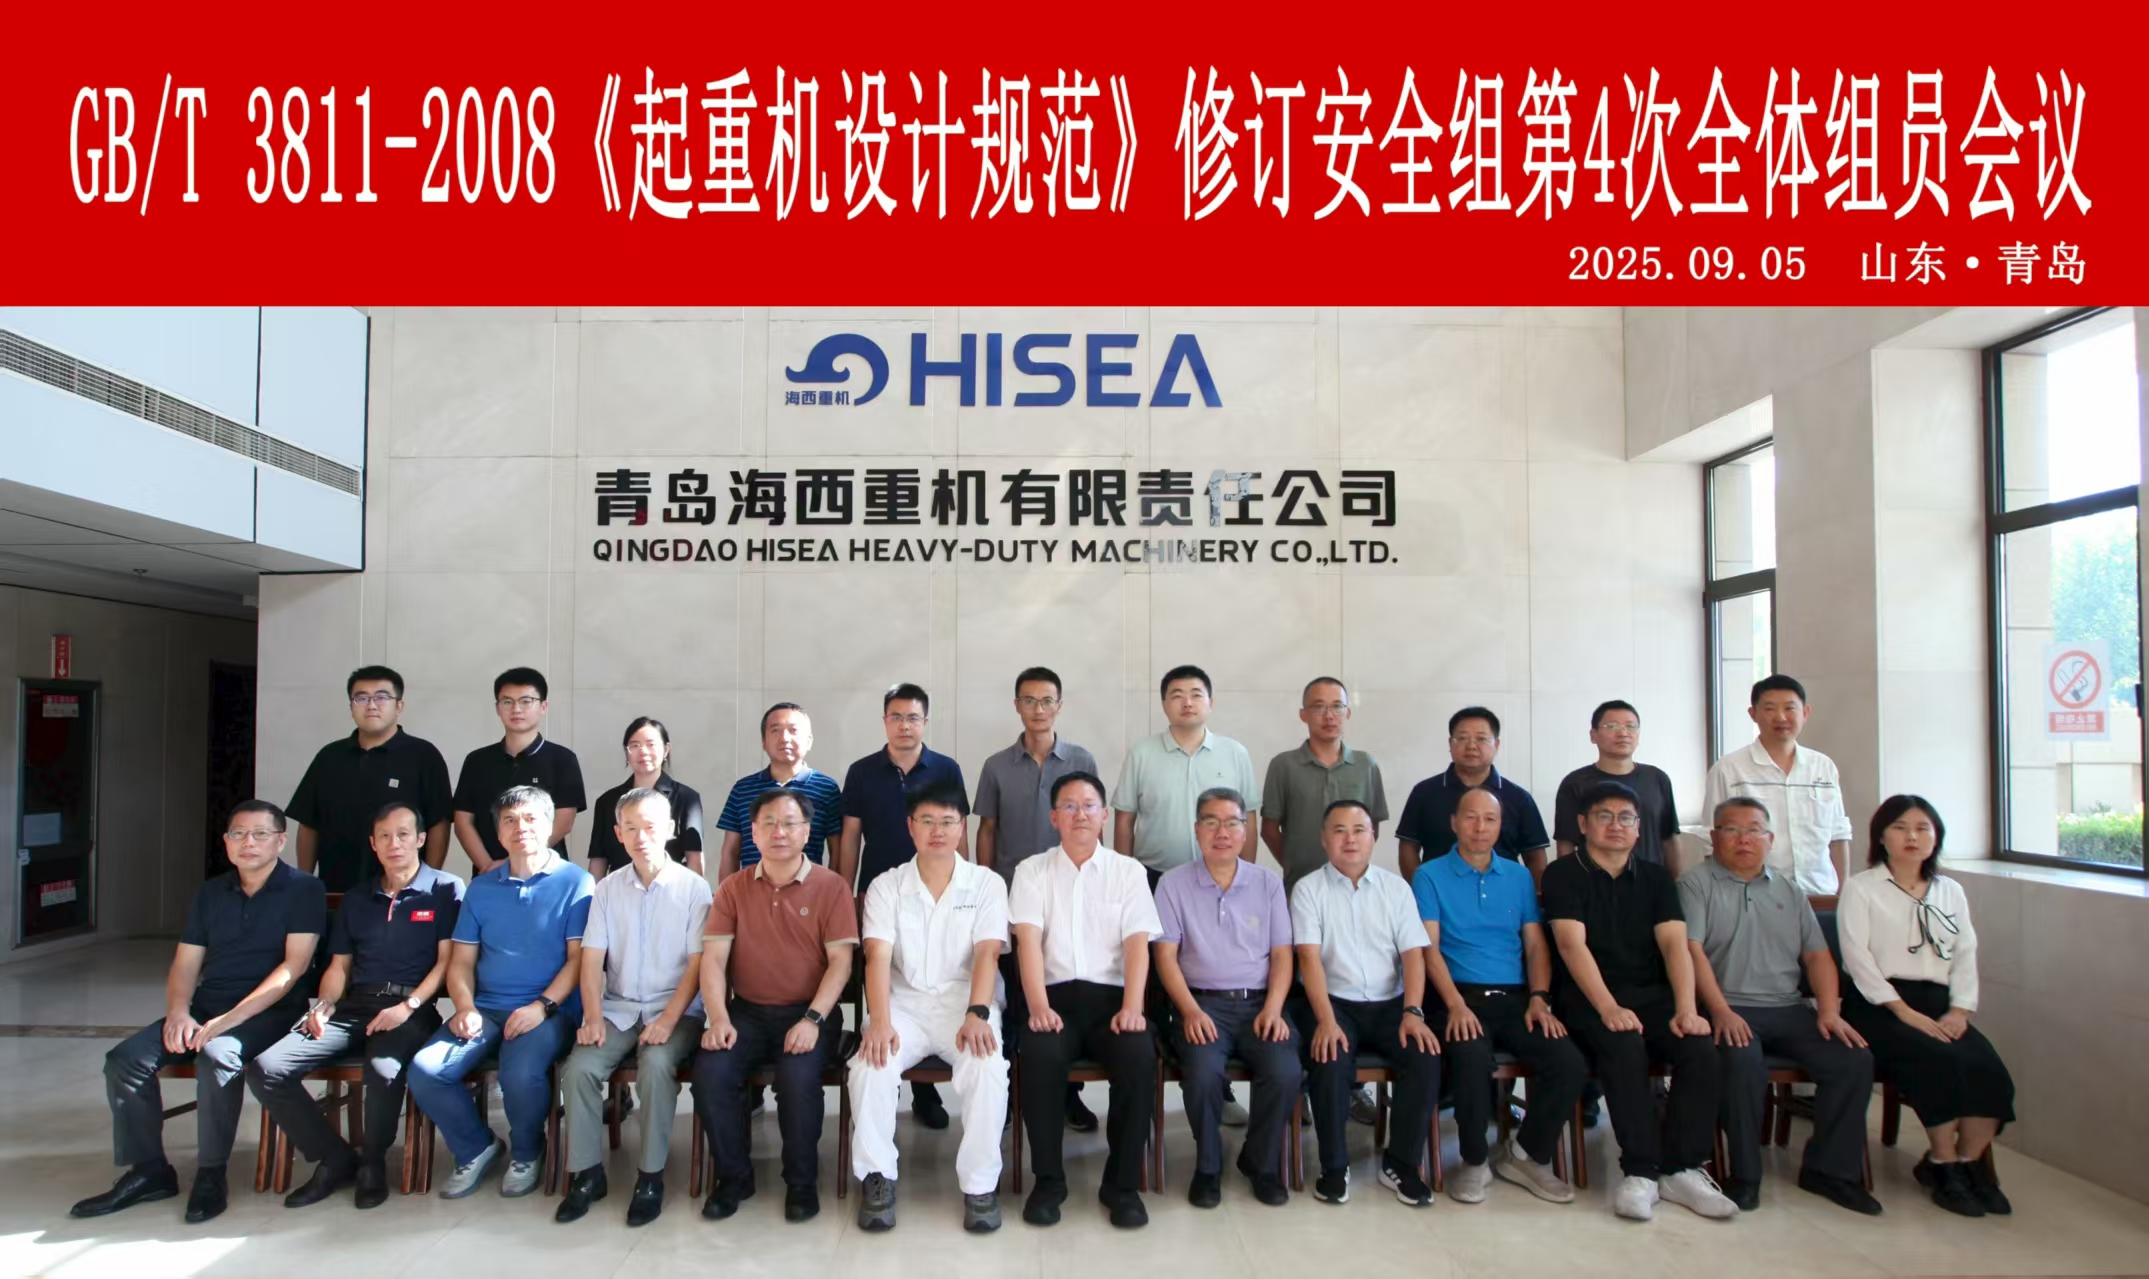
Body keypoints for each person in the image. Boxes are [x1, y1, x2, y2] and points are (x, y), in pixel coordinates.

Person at [70, 801, 327, 1225]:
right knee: (125, 1059)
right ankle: (149, 1170)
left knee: (217, 1055)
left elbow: (293, 967)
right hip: (207, 1008)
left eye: (260, 834)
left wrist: (230, 1021)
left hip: (273, 1013)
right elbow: (186, 962)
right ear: (226, 841)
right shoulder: (210, 893)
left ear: (281, 841)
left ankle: (211, 1173)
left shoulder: (304, 889)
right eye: (238, 834)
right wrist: (178, 1012)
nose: (248, 842)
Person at [246, 801, 463, 1211]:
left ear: (421, 839)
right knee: (267, 1068)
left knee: (382, 1069)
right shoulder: (358, 897)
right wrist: (325, 1004)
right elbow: (339, 965)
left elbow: (447, 962)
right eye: (384, 836)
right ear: (373, 843)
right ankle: (334, 1158)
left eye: (403, 834)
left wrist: (409, 1005)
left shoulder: (445, 889)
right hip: (355, 1006)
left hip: (411, 1009)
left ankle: (373, 1162)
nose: (394, 843)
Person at [1541, 780, 1736, 1222]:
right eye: (1604, 816)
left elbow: (1674, 945)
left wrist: (1687, 1008)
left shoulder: (1656, 877)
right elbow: (1571, 945)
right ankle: (1641, 1171)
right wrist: (1608, 1007)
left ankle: (1683, 1168)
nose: (1616, 825)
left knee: (1699, 1049)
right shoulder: (1563, 874)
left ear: (1638, 827)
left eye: (1626, 818)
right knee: (1624, 1044)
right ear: (1583, 824)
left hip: (1652, 995)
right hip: (1587, 999)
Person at [1682, 798, 1881, 1215]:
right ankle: (1745, 1175)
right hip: (1728, 1006)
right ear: (1714, 837)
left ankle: (1830, 1171)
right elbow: (1691, 951)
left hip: (1789, 1008)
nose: (1744, 839)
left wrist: (1828, 1011)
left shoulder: (1789, 889)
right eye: (1732, 829)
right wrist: (1719, 1010)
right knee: (1742, 1063)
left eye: (1754, 829)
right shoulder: (1695, 884)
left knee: (1852, 1059)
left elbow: (1817, 956)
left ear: (1770, 839)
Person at [406, 786, 594, 1199]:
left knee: (519, 1073)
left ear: (549, 825)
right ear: (498, 832)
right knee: (426, 1070)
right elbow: (460, 962)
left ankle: (527, 1151)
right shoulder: (482, 888)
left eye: (530, 818)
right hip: (486, 1008)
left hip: (550, 1010)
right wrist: (465, 1007)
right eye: (509, 820)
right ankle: (477, 1147)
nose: (520, 827)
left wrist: (542, 1006)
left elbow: (578, 960)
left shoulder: (577, 882)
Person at [1839, 795, 2015, 1217]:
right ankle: (1943, 1162)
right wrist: (1902, 1011)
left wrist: (1960, 1011)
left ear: (1936, 838)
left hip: (1940, 1004)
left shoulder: (1950, 890)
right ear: (1881, 836)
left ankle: (1969, 1161)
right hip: (1878, 1006)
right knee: (1940, 1062)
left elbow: (1966, 953)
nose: (1912, 837)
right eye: (1900, 828)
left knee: (1988, 1070)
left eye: (1923, 828)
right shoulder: (1862, 888)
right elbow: (1856, 959)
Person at [848, 785, 1011, 1234]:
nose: (937, 831)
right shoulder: (886, 885)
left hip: (966, 1003)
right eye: (927, 821)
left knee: (987, 1067)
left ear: (962, 828)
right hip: (904, 1004)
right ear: (910, 827)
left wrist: (978, 1013)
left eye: (947, 822)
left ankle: (980, 1185)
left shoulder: (987, 883)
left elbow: (987, 954)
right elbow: (877, 957)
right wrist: (879, 1022)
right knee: (871, 1065)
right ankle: (878, 1176)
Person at [693, 787, 858, 1224]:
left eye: (789, 823)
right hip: (747, 1012)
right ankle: (733, 1177)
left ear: (807, 832)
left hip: (810, 1012)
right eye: (768, 823)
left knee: (797, 1078)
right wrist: (718, 1018)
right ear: (753, 832)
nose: (778, 832)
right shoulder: (733, 888)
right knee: (711, 1072)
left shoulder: (832, 887)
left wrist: (812, 1019)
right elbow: (714, 960)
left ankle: (801, 1182)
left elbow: (841, 964)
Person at [1414, 788, 1584, 1206]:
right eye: (1471, 818)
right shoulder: (1429, 875)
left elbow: (1535, 945)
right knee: (1471, 1057)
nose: (1480, 827)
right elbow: (1428, 949)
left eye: (1490, 819)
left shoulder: (1519, 876)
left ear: (1500, 825)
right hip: (1456, 997)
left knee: (1568, 1061)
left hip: (1515, 998)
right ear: (1454, 823)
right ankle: (1474, 1162)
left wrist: (1539, 997)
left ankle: (1525, 1155)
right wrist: (1455, 1005)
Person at [1010, 771, 1162, 1229]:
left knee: (1138, 1055)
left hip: (1113, 1003)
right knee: (1038, 1055)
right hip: (1052, 1000)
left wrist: (1133, 1007)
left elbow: (1138, 945)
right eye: (1069, 806)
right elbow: (1027, 943)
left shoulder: (1128, 871)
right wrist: (1038, 1007)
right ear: (1053, 817)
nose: (1080, 814)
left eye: (1089, 805)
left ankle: (1122, 1186)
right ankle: (1048, 1182)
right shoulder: (1031, 870)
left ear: (1105, 816)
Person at [556, 787, 713, 1227]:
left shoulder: (694, 888)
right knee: (579, 1069)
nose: (641, 837)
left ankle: (650, 1176)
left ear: (670, 830)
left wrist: (668, 1020)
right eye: (631, 828)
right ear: (618, 834)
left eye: (650, 827)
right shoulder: (607, 889)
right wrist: (591, 1017)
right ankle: (587, 1174)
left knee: (657, 1064)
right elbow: (592, 959)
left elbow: (698, 965)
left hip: (676, 1009)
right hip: (619, 1008)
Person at [1291, 798, 1441, 1208]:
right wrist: (1325, 1020)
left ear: (1373, 837)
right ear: (1324, 839)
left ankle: (1401, 1165)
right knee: (1329, 1056)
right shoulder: (1308, 889)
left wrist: (1413, 1012)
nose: (1350, 839)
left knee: (1424, 1056)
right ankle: (1334, 1167)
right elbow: (1308, 959)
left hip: (1391, 1004)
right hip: (1333, 1002)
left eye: (1359, 830)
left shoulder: (1396, 889)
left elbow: (1413, 955)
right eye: (1339, 831)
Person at [1153, 787, 1299, 1209]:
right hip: (1201, 1004)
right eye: (1212, 822)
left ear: (1245, 830)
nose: (1222, 832)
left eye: (1233, 823)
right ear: (1197, 830)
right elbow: (1165, 957)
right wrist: (1189, 1011)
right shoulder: (1173, 884)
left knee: (1285, 1071)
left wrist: (1274, 1008)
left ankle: (1260, 1162)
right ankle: (1208, 1166)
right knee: (1201, 1074)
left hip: (1260, 1004)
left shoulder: (1267, 883)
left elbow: (1282, 954)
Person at [974, 665, 1102, 1135]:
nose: (1039, 709)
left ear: (1059, 706)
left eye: (1047, 700)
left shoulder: (1081, 759)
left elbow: (1093, 822)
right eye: (1029, 700)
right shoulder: (996, 766)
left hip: (1070, 896)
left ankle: (1068, 1095)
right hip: (1013, 900)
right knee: (1014, 997)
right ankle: (1010, 1093)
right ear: (1017, 706)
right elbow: (987, 830)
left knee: (1064, 992)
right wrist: (988, 890)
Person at [838, 682, 967, 1127]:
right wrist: (845, 893)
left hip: (934, 894)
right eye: (897, 717)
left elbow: (959, 832)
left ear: (925, 722)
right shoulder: (861, 772)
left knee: (926, 979)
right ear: (885, 721)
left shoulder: (946, 768)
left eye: (913, 717)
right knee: (885, 980)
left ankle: (925, 1094)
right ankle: (884, 1085)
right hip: (879, 894)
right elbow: (850, 836)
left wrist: (964, 886)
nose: (905, 725)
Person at [289, 665, 454, 890]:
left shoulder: (423, 755)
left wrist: (426, 884)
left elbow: (439, 824)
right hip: (336, 889)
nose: (371, 705)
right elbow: (309, 824)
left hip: (401, 891)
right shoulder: (329, 757)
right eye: (361, 698)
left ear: (399, 706)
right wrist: (305, 882)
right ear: (351, 707)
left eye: (382, 697)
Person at [1703, 675, 1854, 896]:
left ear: (1805, 713)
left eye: (1790, 708)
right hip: (1753, 897)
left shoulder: (1823, 766)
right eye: (1769, 709)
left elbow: (1838, 836)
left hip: (1820, 895)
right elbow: (1712, 842)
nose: (1781, 717)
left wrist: (1843, 895)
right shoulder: (1729, 769)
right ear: (1753, 714)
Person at [1113, 665, 1261, 880]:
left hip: (1222, 874)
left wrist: (1247, 877)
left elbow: (1249, 821)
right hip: (1154, 876)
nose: (1187, 703)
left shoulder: (1235, 753)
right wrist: (1123, 878)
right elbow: (1124, 821)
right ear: (1164, 705)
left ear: (1211, 702)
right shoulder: (1141, 753)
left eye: (1196, 695)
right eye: (1177, 696)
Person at [452, 668, 588, 876]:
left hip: (547, 875)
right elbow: (463, 821)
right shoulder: (477, 761)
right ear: (497, 708)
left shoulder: (562, 759)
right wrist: (488, 867)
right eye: (507, 702)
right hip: (488, 874)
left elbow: (564, 822)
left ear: (543, 706)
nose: (516, 709)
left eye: (526, 701)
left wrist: (512, 864)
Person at [1261, 677, 1390, 893]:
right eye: (1319, 707)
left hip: (1354, 886)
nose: (1329, 716)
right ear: (1303, 715)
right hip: (1299, 885)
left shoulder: (1366, 765)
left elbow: (1372, 826)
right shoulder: (1283, 765)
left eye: (1337, 706)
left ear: (1348, 713)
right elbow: (1269, 829)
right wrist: (1294, 864)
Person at [1396, 706, 1551, 885]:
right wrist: (1421, 889)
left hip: (1503, 894)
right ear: (1450, 744)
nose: (1471, 746)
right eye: (1462, 738)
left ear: (1496, 745)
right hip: (1439, 894)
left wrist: (1528, 894)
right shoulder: (1424, 792)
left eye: (1481, 738)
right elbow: (1408, 847)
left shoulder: (1519, 798)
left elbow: (1535, 856)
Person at [715, 702, 843, 876]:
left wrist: (833, 888)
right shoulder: (742, 789)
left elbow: (837, 852)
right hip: (751, 889)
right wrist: (727, 891)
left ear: (809, 741)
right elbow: (730, 851)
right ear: (763, 742)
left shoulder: (826, 788)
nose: (784, 738)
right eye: (775, 730)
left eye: (793, 730)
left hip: (807, 889)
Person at [1552, 700, 1681, 869]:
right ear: (1593, 735)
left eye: (1631, 726)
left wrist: (1675, 880)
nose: (1623, 733)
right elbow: (1566, 844)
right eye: (1612, 726)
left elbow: (1669, 838)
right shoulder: (1575, 783)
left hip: (1651, 880)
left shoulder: (1657, 778)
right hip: (1594, 880)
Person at [587, 717, 707, 878]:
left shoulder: (687, 798)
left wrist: (695, 891)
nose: (643, 752)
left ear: (666, 750)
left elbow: (694, 858)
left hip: (671, 887)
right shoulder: (607, 801)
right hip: (619, 888)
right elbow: (598, 859)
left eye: (651, 744)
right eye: (635, 745)